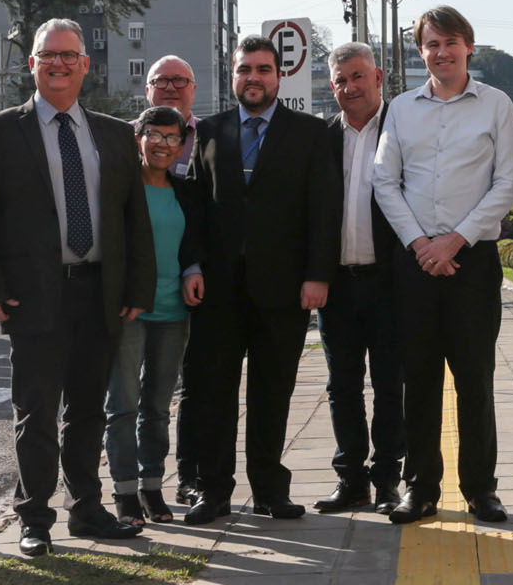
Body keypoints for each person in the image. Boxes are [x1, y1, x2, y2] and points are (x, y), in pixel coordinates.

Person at [0, 18, 155, 556]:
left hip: (100, 291)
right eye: (49, 55)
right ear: (32, 64)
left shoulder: (114, 133)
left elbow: (134, 217)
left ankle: (87, 509)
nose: (59, 64)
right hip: (32, 295)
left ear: (86, 65)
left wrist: (138, 287)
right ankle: (34, 519)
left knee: (88, 410)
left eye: (69, 55)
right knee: (37, 411)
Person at [181, 35, 339, 524]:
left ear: (279, 76)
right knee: (214, 393)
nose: (253, 78)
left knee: (272, 393)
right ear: (233, 75)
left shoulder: (310, 133)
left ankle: (271, 490)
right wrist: (191, 267)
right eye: (244, 69)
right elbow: (194, 209)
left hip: (284, 289)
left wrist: (317, 275)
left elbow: (323, 210)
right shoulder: (209, 131)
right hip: (217, 290)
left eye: (263, 69)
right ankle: (213, 491)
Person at [374, 5, 513, 524]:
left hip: (472, 262)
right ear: (421, 52)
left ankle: (481, 488)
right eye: (432, 44)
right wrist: (421, 244)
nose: (442, 53)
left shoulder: (496, 104)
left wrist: (454, 241)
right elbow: (384, 181)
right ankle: (421, 488)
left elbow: (507, 182)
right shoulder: (401, 108)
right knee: (418, 379)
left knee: (474, 377)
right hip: (415, 262)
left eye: (451, 42)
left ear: (469, 47)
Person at [316, 43, 405, 514]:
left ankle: (388, 477)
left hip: (389, 283)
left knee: (390, 384)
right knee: (342, 385)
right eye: (340, 81)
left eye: (357, 77)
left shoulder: (402, 128)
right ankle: (351, 478)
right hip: (337, 284)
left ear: (378, 77)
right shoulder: (322, 137)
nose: (349, 88)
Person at [107, 107, 204, 521]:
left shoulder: (186, 190)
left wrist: (193, 268)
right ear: (138, 138)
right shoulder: (119, 188)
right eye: (155, 135)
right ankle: (125, 492)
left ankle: (152, 487)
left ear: (182, 147)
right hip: (130, 311)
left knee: (158, 408)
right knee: (123, 405)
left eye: (172, 138)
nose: (163, 145)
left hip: (173, 312)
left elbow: (193, 241)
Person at [144, 54, 202, 500]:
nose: (170, 87)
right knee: (128, 400)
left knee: (192, 390)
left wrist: (194, 266)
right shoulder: (127, 143)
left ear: (193, 89)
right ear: (147, 90)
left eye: (179, 80)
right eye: (160, 80)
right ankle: (136, 486)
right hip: (136, 296)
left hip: (194, 288)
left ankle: (189, 477)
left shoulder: (214, 136)